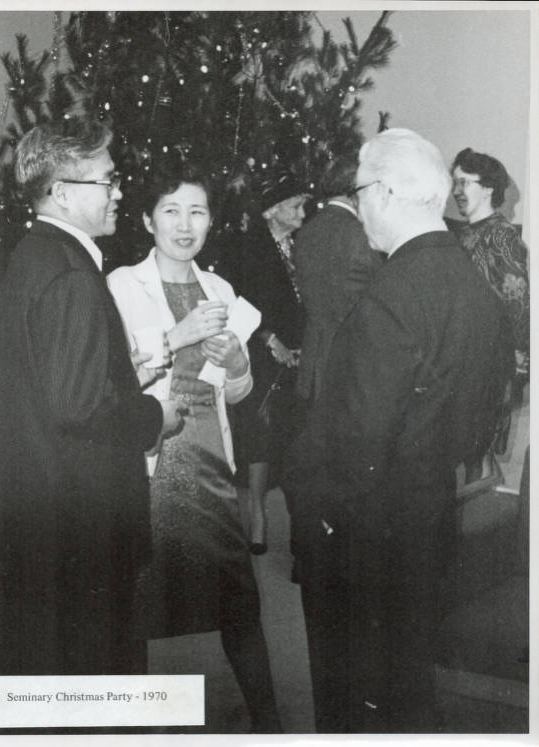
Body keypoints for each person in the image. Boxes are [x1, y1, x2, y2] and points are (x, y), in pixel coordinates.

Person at [293, 128, 514, 732]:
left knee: (350, 694)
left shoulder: (392, 292)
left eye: (360, 192)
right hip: (430, 515)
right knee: (405, 679)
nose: (357, 204)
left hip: (363, 534)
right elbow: (480, 421)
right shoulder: (476, 289)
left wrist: (323, 514)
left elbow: (357, 439)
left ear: (386, 192)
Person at [0, 119, 182, 676]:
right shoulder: (72, 272)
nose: (120, 192)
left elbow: (51, 387)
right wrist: (155, 415)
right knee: (100, 672)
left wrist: (121, 376)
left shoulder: (34, 255)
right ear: (64, 194)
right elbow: (76, 408)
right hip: (83, 521)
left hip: (44, 512)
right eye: (109, 181)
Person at [107, 162, 281, 733]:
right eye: (171, 210)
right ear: (147, 220)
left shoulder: (221, 289)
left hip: (209, 461)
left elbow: (238, 391)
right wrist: (175, 338)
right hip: (151, 466)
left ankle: (269, 724)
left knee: (239, 602)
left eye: (198, 211)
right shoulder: (120, 287)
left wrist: (236, 365)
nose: (185, 224)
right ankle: (138, 727)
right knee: (140, 604)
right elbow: (113, 386)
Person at [234, 173, 308, 554]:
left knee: (291, 431)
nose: (302, 212)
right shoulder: (251, 248)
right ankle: (258, 516)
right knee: (259, 435)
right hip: (261, 352)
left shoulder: (296, 245)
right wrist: (270, 338)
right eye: (296, 205)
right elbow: (240, 301)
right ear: (274, 211)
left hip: (294, 353)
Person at [451, 147, 530, 482]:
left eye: (464, 182)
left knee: (475, 449)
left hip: (489, 360)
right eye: (454, 182)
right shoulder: (461, 233)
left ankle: (480, 526)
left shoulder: (501, 235)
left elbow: (519, 300)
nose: (456, 191)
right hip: (461, 358)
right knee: (467, 449)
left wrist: (518, 356)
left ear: (487, 188)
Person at [294, 156, 383, 408]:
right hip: (347, 361)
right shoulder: (361, 234)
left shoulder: (306, 230)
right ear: (355, 189)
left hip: (312, 356)